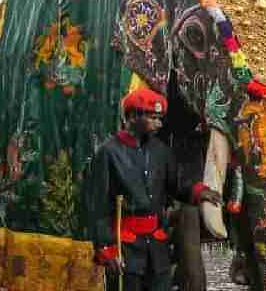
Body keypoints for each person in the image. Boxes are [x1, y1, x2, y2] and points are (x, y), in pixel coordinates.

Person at [85, 88, 219, 291]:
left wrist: (199, 191)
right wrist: (106, 247)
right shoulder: (108, 153)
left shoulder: (161, 150)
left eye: (160, 118)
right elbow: (98, 206)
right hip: (125, 248)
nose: (159, 123)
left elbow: (177, 183)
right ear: (132, 117)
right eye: (153, 117)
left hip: (157, 248)